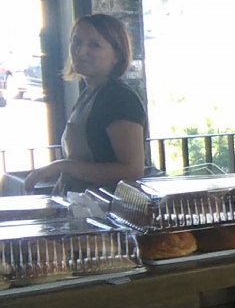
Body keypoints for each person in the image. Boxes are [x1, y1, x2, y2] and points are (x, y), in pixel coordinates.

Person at [25, 14, 149, 194]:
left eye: (94, 45)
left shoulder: (119, 98)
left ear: (117, 55)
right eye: (76, 42)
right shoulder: (89, 95)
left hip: (106, 207)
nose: (81, 51)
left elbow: (132, 171)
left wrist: (63, 166)